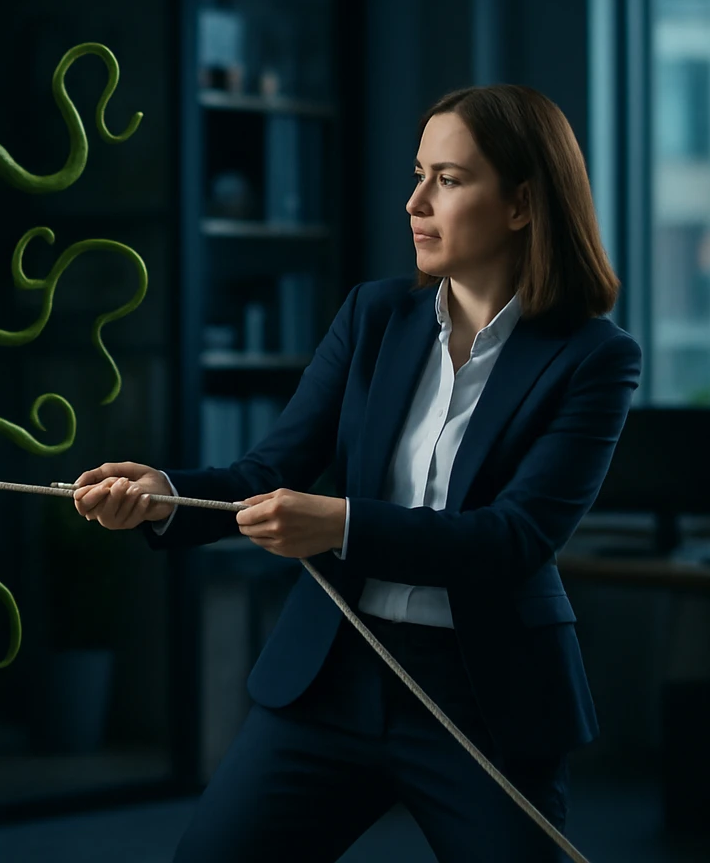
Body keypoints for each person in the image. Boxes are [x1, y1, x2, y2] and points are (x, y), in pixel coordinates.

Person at [72, 84, 640, 862]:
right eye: (418, 173)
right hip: (334, 674)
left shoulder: (594, 359)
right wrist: (164, 497)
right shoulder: (375, 318)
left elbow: (516, 537)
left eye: (448, 179)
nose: (415, 201)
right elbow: (269, 469)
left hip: (487, 694)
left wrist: (341, 525)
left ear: (520, 205)